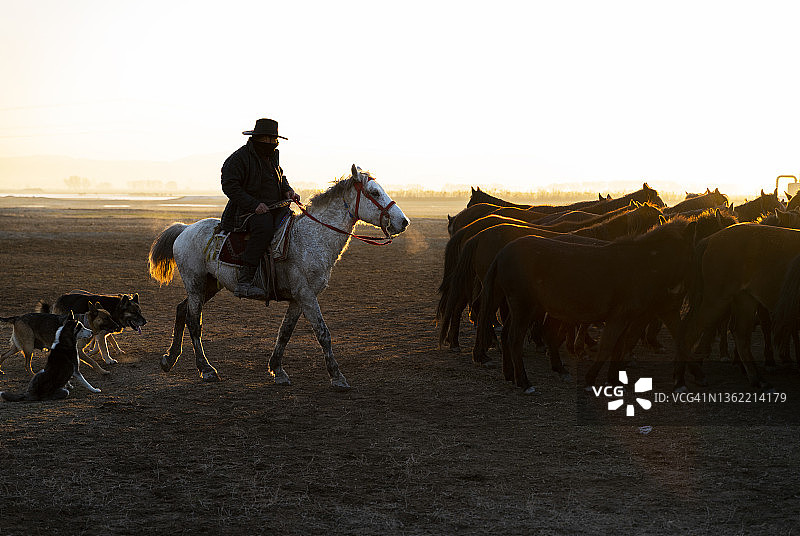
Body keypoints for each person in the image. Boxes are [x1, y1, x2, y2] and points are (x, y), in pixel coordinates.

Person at [220, 118, 300, 299]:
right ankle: (244, 282)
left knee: (291, 224)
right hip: (246, 211)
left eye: (274, 139)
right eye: (268, 138)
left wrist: (288, 190)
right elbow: (229, 185)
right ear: (257, 138)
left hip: (275, 207)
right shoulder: (238, 159)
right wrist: (254, 204)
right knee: (264, 228)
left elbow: (280, 177)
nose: (272, 142)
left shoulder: (272, 157)